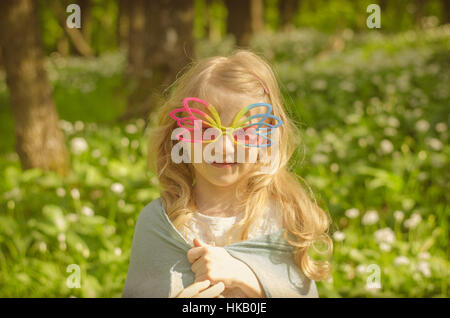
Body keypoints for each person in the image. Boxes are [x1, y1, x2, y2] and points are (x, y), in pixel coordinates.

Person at [122, 49, 332, 298]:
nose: (223, 147)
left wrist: (247, 277)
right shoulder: (160, 224)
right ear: (180, 135)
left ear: (268, 138)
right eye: (205, 128)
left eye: (244, 130)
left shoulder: (285, 218)